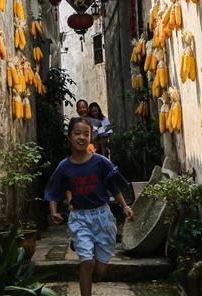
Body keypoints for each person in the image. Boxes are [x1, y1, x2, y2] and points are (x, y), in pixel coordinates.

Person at [45, 117, 135, 296]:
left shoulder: (101, 162)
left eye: (86, 134)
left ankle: (88, 259)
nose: (81, 137)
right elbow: (54, 190)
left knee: (99, 270)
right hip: (80, 218)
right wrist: (53, 212)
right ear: (69, 136)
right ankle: (81, 245)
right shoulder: (64, 167)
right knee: (87, 263)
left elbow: (114, 186)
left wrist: (124, 206)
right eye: (77, 133)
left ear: (91, 137)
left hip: (103, 217)